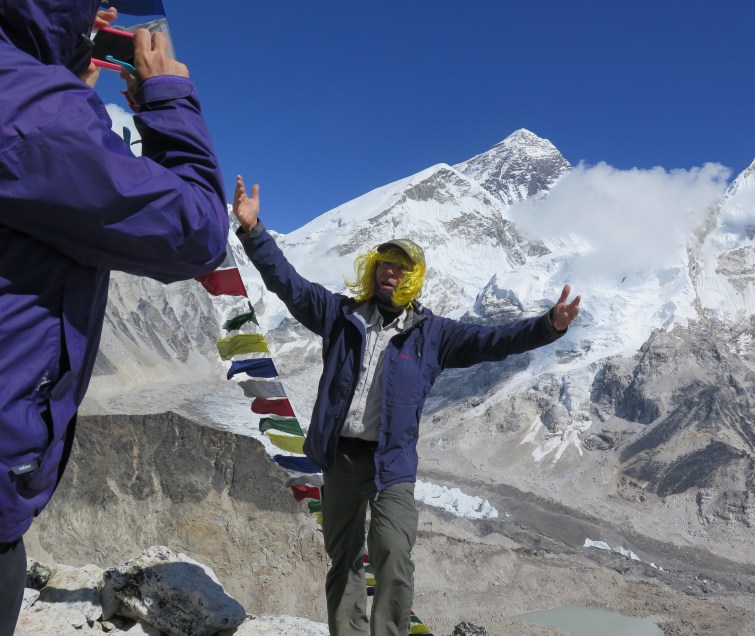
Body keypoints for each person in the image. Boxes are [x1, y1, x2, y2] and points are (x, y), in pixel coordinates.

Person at [232, 176, 581, 636]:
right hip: (341, 459)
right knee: (343, 559)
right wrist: (254, 232)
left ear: (413, 277)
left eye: (399, 268)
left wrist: (548, 327)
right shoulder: (340, 315)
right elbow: (289, 284)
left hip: (391, 463)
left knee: (393, 555)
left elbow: (494, 340)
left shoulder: (434, 335)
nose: (389, 273)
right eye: (384, 265)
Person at [0, 2, 230, 632]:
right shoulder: (31, 110)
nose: (108, 8)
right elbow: (194, 231)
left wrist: (61, 78)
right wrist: (167, 101)